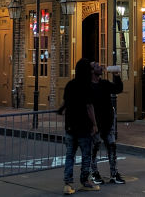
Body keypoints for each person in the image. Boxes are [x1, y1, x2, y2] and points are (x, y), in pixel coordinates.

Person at [57, 58, 99, 194]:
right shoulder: (87, 86)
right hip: (84, 126)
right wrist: (94, 124)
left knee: (70, 155)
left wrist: (60, 110)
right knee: (86, 155)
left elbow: (64, 102)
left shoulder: (70, 84)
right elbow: (89, 107)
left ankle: (68, 183)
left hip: (70, 125)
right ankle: (85, 181)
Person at [89, 62, 125, 186]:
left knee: (112, 146)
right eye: (96, 66)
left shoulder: (104, 83)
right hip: (95, 122)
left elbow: (118, 89)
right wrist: (92, 123)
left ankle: (114, 173)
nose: (100, 67)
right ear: (91, 71)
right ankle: (94, 173)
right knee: (95, 147)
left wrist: (116, 75)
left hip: (107, 121)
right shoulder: (88, 86)